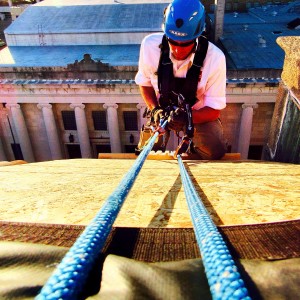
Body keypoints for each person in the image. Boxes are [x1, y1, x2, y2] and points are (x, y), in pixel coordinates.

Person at [135, 0, 227, 159]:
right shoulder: (150, 46)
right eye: (172, 41)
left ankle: (192, 151)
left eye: (185, 43)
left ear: (197, 36)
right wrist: (155, 110)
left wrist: (187, 118)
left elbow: (214, 110)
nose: (177, 49)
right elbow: (144, 84)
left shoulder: (215, 58)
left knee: (215, 149)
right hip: (162, 109)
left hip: (197, 112)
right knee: (145, 152)